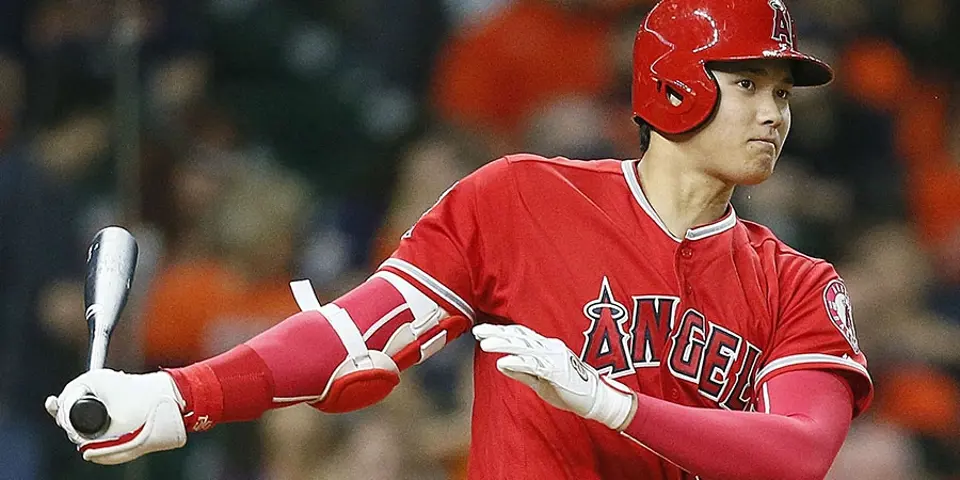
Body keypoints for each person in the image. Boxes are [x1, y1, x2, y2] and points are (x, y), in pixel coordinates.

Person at [45, 0, 873, 478]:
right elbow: (358, 334)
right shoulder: (522, 197)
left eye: (781, 94)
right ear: (676, 85)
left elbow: (798, 453)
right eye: (747, 84)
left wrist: (609, 403)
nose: (774, 114)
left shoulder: (799, 282)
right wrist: (178, 396)